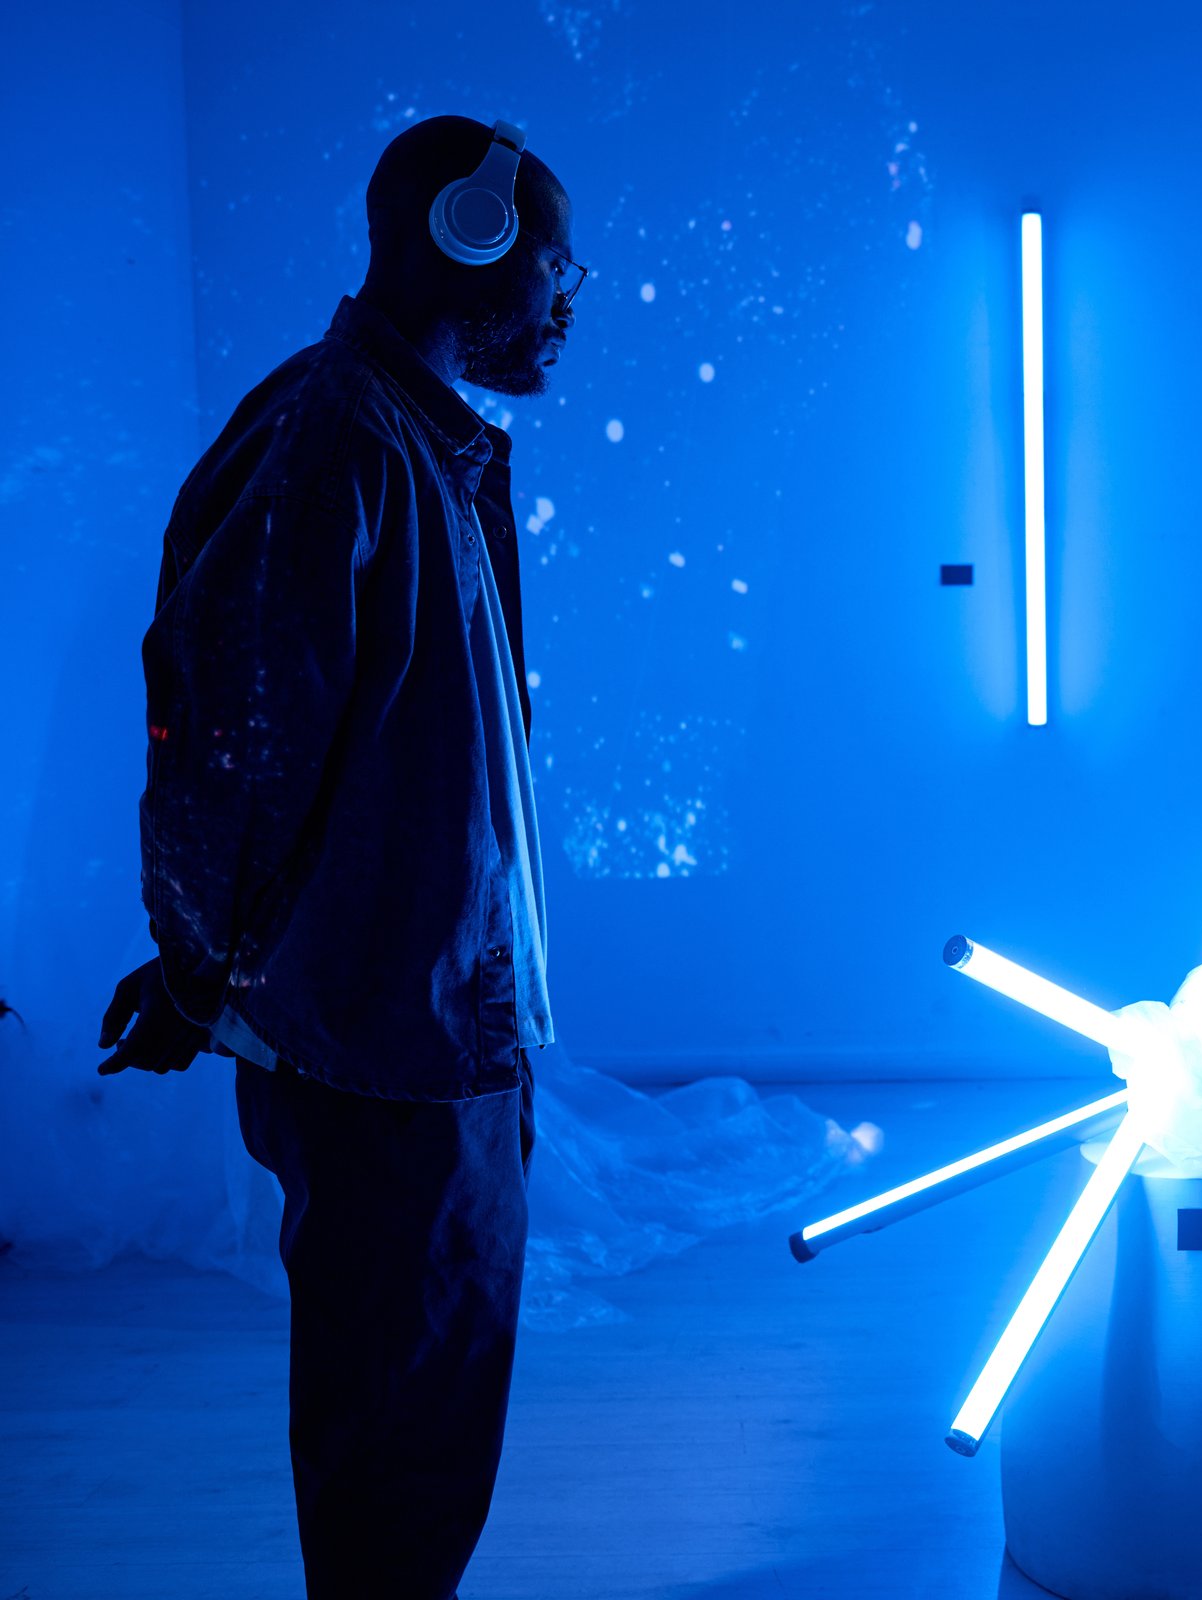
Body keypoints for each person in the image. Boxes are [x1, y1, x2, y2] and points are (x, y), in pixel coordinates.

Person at [93, 114, 586, 1596]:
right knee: (395, 1423)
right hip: (381, 1048)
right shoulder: (330, 446)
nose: (569, 303)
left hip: (440, 1028)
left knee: (431, 1406)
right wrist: (194, 974)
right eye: (558, 267)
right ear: (475, 240)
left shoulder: (415, 445)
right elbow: (235, 754)